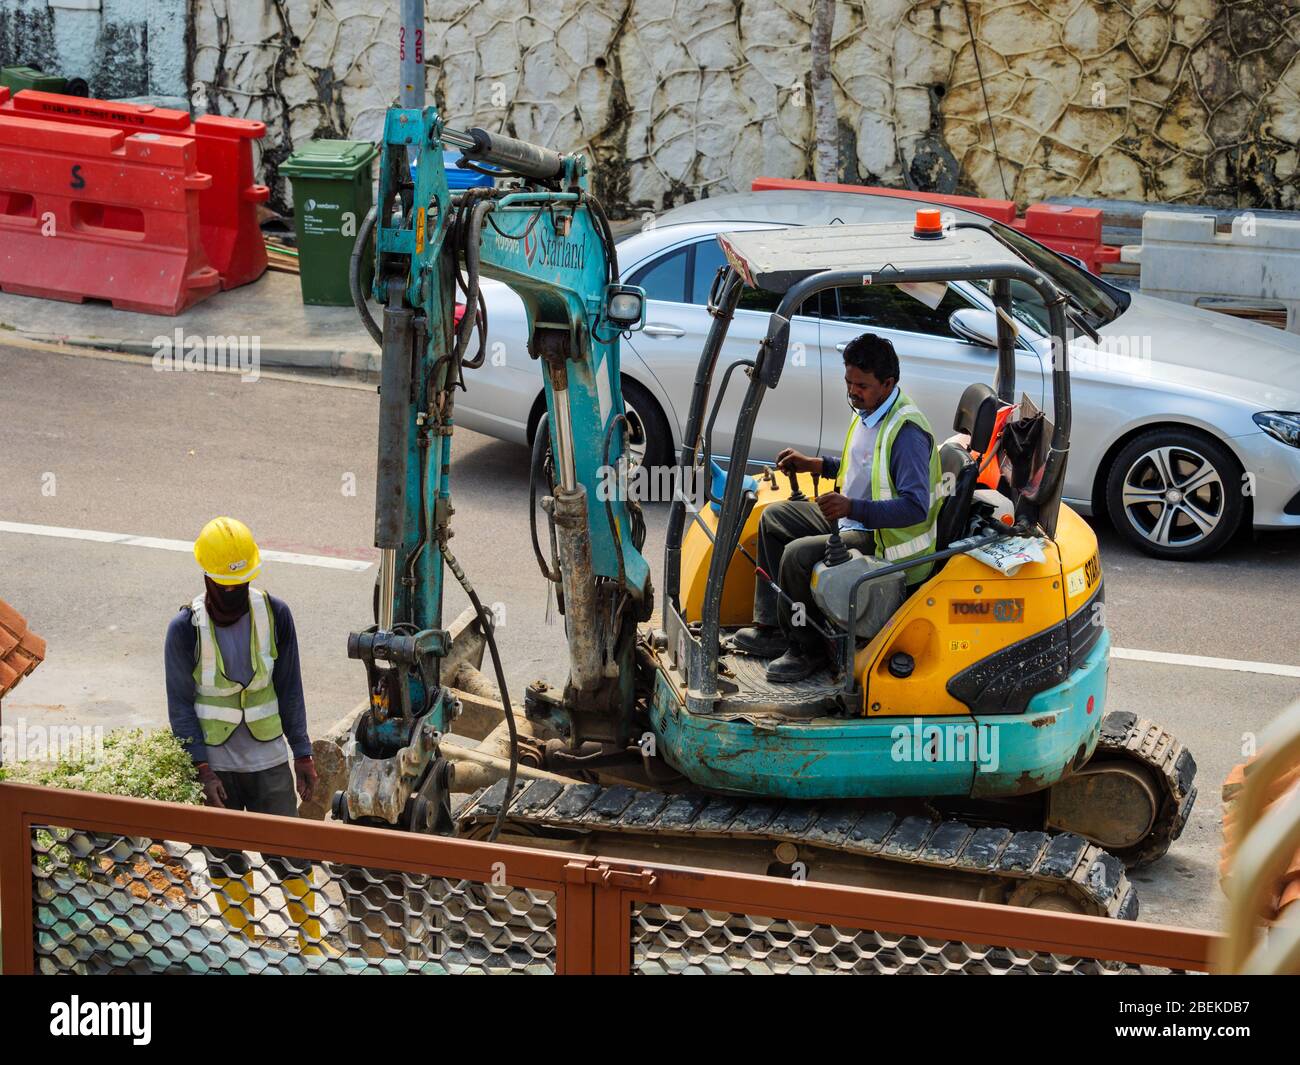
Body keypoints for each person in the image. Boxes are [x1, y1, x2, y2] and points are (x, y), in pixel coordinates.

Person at [733, 333, 942, 682]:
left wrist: (852, 507)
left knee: (798, 557)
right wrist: (814, 464)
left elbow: (915, 507)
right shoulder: (868, 410)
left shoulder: (906, 433)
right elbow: (858, 467)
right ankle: (770, 626)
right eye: (848, 382)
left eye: (861, 384)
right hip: (852, 516)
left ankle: (806, 649)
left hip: (882, 539)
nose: (852, 391)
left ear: (888, 383)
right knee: (774, 519)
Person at [165, 515, 327, 952]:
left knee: (291, 854)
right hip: (215, 767)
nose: (233, 593)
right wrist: (202, 769)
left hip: (267, 760)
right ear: (207, 577)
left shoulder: (275, 614)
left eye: (240, 584)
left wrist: (303, 753)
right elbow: (180, 707)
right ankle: (243, 948)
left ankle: (311, 944)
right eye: (225, 585)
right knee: (224, 860)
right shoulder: (184, 629)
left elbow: (290, 687)